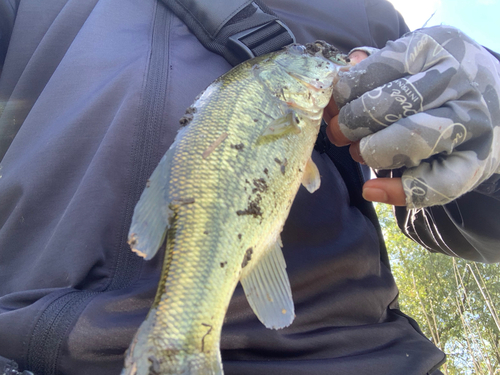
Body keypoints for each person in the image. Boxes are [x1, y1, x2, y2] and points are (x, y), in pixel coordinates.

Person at [0, 0, 498, 374]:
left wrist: (490, 124)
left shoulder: (363, 11)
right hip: (29, 351)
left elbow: (456, 217)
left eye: (323, 55)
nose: (326, 59)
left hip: (349, 359)